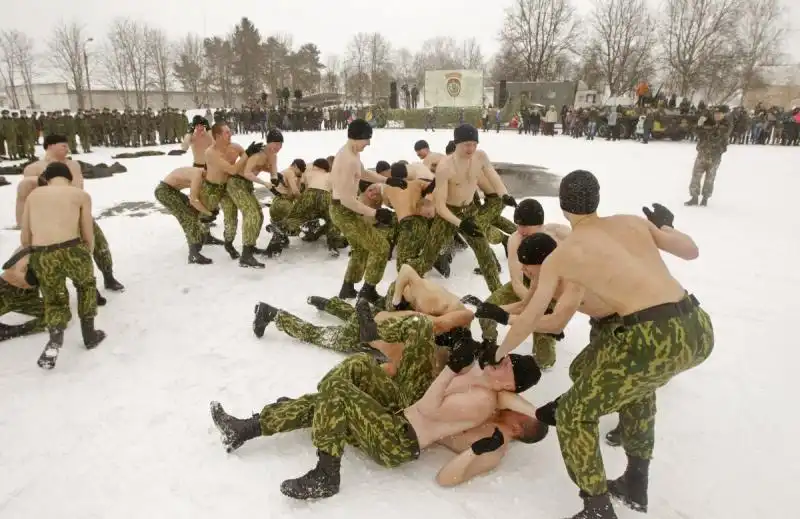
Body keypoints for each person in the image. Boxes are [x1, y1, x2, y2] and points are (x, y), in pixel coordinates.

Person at [485, 170, 714, 519]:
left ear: (562, 207)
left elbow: (533, 317)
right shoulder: (631, 223)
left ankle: (597, 509)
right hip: (697, 325)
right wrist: (665, 227)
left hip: (650, 335)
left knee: (574, 414)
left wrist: (499, 352)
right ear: (597, 199)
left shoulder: (564, 254)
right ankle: (636, 482)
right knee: (636, 387)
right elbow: (691, 251)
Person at [210, 313, 542, 500]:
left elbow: (427, 409)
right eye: (507, 359)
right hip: (396, 416)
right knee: (358, 365)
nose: (502, 362)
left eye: (509, 367)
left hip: (397, 441)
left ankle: (327, 473)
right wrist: (456, 351)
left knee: (337, 392)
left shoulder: (482, 401)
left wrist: (451, 369)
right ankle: (250, 427)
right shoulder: (481, 376)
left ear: (511, 384)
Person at [408, 124, 514, 293]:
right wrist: (460, 223)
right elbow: (440, 206)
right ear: (456, 144)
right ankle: (404, 285)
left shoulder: (480, 157)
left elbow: (492, 175)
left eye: (474, 144)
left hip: (469, 211)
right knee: (428, 258)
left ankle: (497, 294)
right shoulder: (445, 167)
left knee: (484, 253)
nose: (470, 148)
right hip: (448, 213)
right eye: (466, 144)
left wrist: (504, 194)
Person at [20, 163, 106, 369]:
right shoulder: (80, 195)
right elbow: (87, 232)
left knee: (53, 298)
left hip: (42, 253)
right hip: (72, 248)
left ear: (47, 178)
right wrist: (87, 251)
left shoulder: (34, 196)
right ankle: (89, 335)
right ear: (69, 178)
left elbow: (25, 236)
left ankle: (55, 340)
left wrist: (35, 257)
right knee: (86, 287)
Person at [20, 134, 125, 293]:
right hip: (56, 220)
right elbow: (26, 196)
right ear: (50, 146)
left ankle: (108, 277)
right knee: (72, 254)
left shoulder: (74, 165)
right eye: (63, 145)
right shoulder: (33, 169)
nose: (67, 149)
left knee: (100, 245)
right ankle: (88, 289)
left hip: (79, 211)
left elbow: (78, 188)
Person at [477, 199, 570, 369]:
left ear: (539, 224)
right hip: (528, 283)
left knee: (545, 360)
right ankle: (489, 342)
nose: (520, 230)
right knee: (487, 309)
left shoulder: (560, 235)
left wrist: (553, 314)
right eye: (518, 225)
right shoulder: (516, 239)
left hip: (554, 289)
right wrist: (527, 308)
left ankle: (545, 345)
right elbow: (518, 283)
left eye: (525, 226)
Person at [329, 119, 406, 302]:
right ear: (357, 137)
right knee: (381, 247)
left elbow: (362, 173)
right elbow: (347, 200)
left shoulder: (352, 153)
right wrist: (375, 213)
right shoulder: (347, 160)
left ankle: (348, 288)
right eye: (367, 139)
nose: (369, 143)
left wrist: (387, 181)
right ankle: (368, 290)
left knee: (361, 249)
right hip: (343, 210)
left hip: (345, 208)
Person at [202, 123, 264, 263]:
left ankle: (239, 244)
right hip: (213, 188)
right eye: (227, 132)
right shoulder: (210, 153)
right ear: (218, 136)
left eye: (230, 132)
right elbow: (232, 169)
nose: (230, 134)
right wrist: (247, 154)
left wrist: (255, 155)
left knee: (236, 217)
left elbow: (247, 162)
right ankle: (222, 243)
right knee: (209, 217)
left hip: (229, 186)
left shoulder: (235, 147)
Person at [154, 166, 215, 264]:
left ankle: (205, 237)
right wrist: (207, 212)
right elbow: (194, 200)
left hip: (173, 191)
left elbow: (199, 197)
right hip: (164, 191)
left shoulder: (202, 175)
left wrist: (208, 209)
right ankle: (194, 254)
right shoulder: (198, 175)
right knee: (188, 217)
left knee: (195, 211)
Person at [0, 247, 45, 341]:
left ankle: (12, 331)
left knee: (59, 315)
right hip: (6, 290)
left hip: (27, 297)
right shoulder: (27, 249)